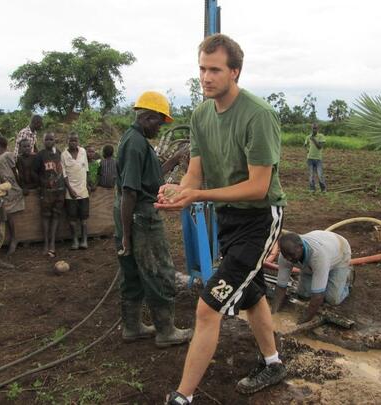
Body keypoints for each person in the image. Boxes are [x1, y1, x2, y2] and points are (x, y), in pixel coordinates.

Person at [156, 34, 287, 404]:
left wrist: (198, 196)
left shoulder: (258, 115)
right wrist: (181, 191)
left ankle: (183, 397)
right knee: (252, 293)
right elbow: (195, 172)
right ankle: (273, 363)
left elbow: (258, 187)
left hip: (260, 218)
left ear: (235, 72)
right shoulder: (200, 116)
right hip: (228, 218)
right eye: (202, 68)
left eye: (214, 69)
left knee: (208, 306)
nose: (206, 77)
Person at [115, 91, 193, 350]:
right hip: (141, 217)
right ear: (148, 117)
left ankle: (132, 326)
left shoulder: (134, 139)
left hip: (130, 215)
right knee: (159, 271)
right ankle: (166, 331)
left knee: (133, 273)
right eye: (159, 123)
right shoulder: (136, 143)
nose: (160, 128)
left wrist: (173, 161)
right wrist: (127, 235)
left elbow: (149, 177)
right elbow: (129, 191)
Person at [275, 231, 354, 321]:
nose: (288, 258)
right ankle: (322, 276)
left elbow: (318, 296)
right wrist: (273, 313)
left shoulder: (318, 256)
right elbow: (281, 287)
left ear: (300, 247)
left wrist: (303, 321)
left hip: (340, 252)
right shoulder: (286, 254)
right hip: (319, 255)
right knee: (304, 294)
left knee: (332, 299)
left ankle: (347, 278)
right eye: (285, 255)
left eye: (292, 255)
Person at [34, 133, 65, 257]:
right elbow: (34, 172)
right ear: (43, 141)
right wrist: (43, 182)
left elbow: (63, 171)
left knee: (56, 216)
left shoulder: (59, 153)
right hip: (46, 192)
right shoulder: (40, 155)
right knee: (46, 216)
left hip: (60, 190)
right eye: (46, 139)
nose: (48, 141)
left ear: (55, 140)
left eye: (51, 139)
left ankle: (52, 243)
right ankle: (46, 243)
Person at [0, 137, 25, 255]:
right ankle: (6, 240)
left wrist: (20, 185)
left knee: (8, 214)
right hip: (3, 188)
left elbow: (15, 170)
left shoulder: (7, 155)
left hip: (11, 188)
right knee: (4, 214)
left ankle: (14, 239)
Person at [61, 133, 89, 250]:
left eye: (75, 140)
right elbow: (64, 175)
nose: (73, 143)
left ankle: (84, 240)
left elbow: (86, 170)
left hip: (83, 191)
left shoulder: (83, 151)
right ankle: (75, 240)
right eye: (71, 140)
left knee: (84, 218)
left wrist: (86, 185)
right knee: (72, 218)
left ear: (78, 141)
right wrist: (70, 189)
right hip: (70, 192)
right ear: (67, 141)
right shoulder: (64, 155)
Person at [304, 123, 326, 192]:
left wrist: (313, 139)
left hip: (318, 159)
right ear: (311, 129)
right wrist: (307, 150)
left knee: (320, 175)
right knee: (311, 175)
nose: (314, 129)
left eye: (315, 128)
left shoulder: (321, 136)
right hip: (310, 158)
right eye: (313, 128)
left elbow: (319, 147)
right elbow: (305, 145)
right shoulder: (308, 137)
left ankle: (323, 189)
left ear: (318, 129)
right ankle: (312, 189)